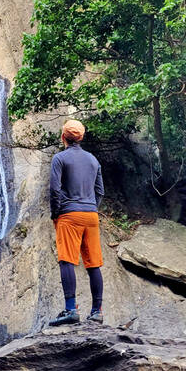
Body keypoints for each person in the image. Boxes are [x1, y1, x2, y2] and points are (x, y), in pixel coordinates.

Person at [48, 119, 105, 326]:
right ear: (81, 137)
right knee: (93, 263)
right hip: (91, 215)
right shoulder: (93, 160)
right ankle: (97, 311)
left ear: (63, 137)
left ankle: (71, 309)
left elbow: (55, 190)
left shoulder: (59, 158)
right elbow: (100, 191)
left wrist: (56, 213)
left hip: (69, 215)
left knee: (67, 260)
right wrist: (91, 207)